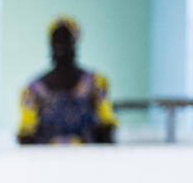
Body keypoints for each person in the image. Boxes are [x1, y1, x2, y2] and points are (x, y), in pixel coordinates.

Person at [18, 16, 118, 144]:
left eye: (66, 40)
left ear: (74, 42)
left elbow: (106, 124)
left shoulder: (96, 84)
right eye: (56, 40)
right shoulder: (33, 90)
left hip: (89, 159)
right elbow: (26, 132)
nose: (61, 46)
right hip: (46, 161)